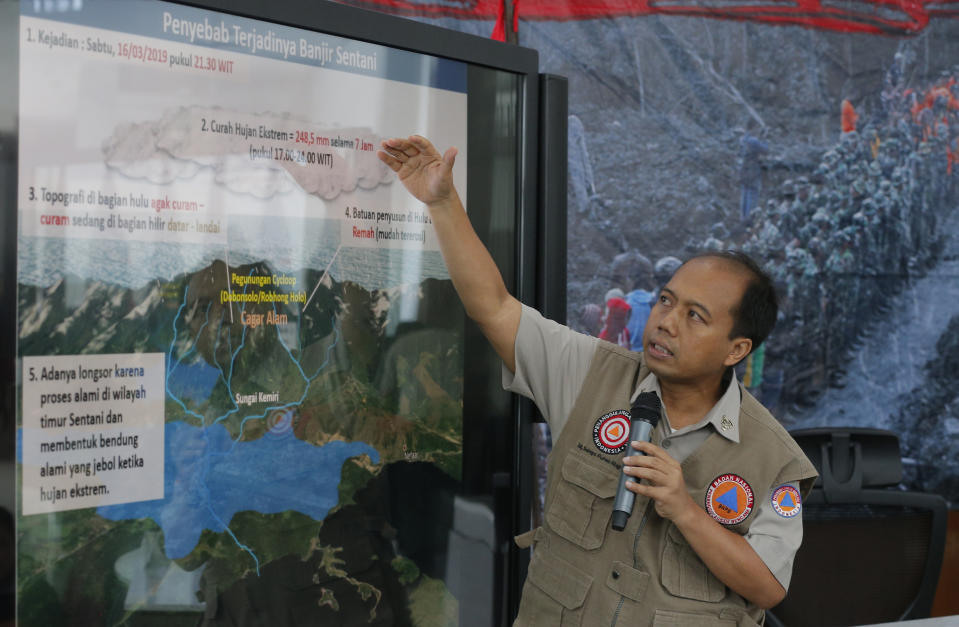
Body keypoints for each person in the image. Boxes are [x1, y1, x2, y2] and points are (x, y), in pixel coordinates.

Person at [378, 136, 817, 625]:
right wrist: (443, 204)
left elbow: (769, 586)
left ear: (736, 349)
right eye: (667, 301)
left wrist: (685, 509)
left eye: (695, 316)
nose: (667, 321)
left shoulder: (774, 459)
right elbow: (495, 308)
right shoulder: (591, 374)